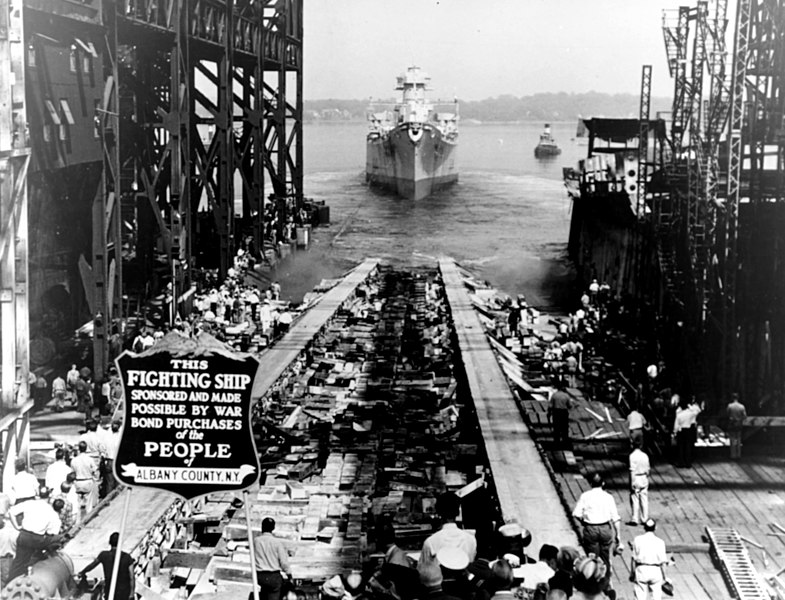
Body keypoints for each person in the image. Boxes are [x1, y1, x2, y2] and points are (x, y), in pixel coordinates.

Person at [8, 487, 62, 580]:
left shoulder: (29, 503)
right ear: (49, 496)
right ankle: (39, 561)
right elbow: (52, 532)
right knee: (55, 540)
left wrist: (17, 526)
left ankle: (10, 583)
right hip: (38, 539)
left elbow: (11, 512)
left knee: (18, 562)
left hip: (24, 536)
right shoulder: (51, 512)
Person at [571, 473, 622, 571]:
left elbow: (576, 513)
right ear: (603, 483)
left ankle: (594, 577)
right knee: (605, 557)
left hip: (591, 529)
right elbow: (615, 518)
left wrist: (583, 521)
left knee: (592, 558)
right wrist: (618, 536)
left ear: (590, 483)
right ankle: (606, 579)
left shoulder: (585, 496)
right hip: (605, 528)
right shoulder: (608, 497)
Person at [421, 492, 477, 563]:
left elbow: (425, 571)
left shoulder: (430, 542)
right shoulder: (471, 540)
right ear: (458, 512)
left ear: (438, 511)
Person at [79, 531, 135, 600]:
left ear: (109, 542)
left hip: (110, 589)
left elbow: (92, 565)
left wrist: (83, 571)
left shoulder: (104, 555)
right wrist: (132, 593)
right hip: (124, 592)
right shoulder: (127, 557)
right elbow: (132, 577)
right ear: (120, 542)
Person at [629, 519, 669, 600]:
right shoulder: (660, 542)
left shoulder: (637, 539)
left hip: (641, 569)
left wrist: (632, 573)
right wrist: (665, 577)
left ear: (644, 527)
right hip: (655, 570)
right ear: (655, 528)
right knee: (656, 596)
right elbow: (663, 562)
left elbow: (633, 559)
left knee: (639, 596)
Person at [253, 517, 291, 600]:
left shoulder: (256, 541)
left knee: (264, 592)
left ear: (262, 527)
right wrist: (289, 574)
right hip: (273, 576)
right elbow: (283, 562)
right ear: (273, 528)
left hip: (260, 576)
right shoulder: (277, 543)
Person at [71, 441, 99, 515]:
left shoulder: (74, 460)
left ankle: (78, 520)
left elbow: (72, 472)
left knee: (78, 504)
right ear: (86, 449)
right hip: (87, 481)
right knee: (89, 504)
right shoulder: (89, 459)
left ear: (79, 449)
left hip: (78, 482)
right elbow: (95, 470)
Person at [628, 441, 650, 526]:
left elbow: (632, 470)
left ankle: (635, 518)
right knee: (644, 499)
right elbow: (648, 469)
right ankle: (645, 518)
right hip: (644, 477)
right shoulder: (645, 455)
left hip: (636, 477)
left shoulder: (632, 456)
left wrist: (632, 482)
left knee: (635, 499)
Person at [549, 379, 573, 447]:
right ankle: (564, 441)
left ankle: (556, 442)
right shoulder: (566, 396)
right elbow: (570, 406)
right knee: (564, 427)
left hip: (556, 412)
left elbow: (550, 405)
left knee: (556, 427)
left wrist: (549, 413)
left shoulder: (554, 395)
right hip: (563, 412)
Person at [726, 393, 747, 460]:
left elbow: (727, 414)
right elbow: (744, 416)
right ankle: (738, 455)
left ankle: (733, 455)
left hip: (732, 424)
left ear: (732, 398)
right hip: (738, 424)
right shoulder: (741, 406)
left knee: (732, 440)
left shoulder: (730, 406)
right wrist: (739, 419)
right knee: (738, 439)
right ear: (738, 398)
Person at [0, 515, 19, 587]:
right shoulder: (15, 530)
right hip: (8, 558)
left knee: (5, 581)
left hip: (5, 557)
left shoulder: (4, 531)